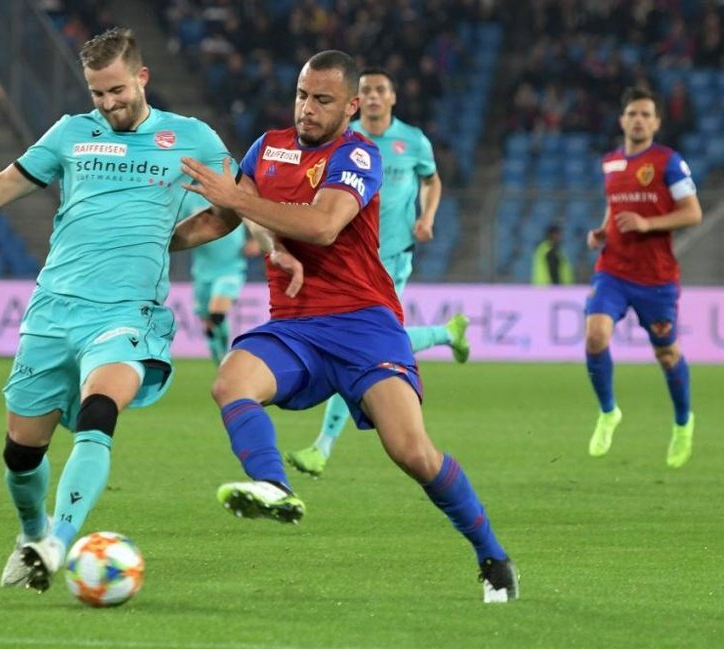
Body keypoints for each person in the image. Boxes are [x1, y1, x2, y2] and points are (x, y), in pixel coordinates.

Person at [0, 27, 236, 593]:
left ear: (142, 78)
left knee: (100, 409)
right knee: (20, 452)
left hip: (128, 313)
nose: (107, 104)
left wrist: (166, 240)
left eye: (116, 90)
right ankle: (31, 533)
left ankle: (59, 538)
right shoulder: (70, 135)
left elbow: (229, 209)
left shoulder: (191, 138)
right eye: (97, 93)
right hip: (54, 311)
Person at [178, 50, 518, 602]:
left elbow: (323, 226)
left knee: (412, 452)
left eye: (322, 100)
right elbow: (223, 218)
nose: (307, 109)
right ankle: (273, 485)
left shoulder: (359, 154)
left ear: (351, 105)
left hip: (364, 322)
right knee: (230, 381)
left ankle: (492, 555)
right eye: (301, 95)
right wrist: (148, 242)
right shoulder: (267, 147)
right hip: (295, 324)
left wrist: (239, 199)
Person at [285, 68, 470, 478]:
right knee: (364, 345)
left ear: (392, 98)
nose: (372, 96)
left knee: (358, 347)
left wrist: (427, 216)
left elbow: (432, 181)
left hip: (391, 261)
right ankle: (446, 333)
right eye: (365, 90)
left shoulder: (413, 141)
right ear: (355, 99)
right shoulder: (343, 141)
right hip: (348, 259)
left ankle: (322, 447)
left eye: (380, 90)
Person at [585, 86, 702, 468]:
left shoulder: (669, 162)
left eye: (646, 114)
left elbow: (692, 213)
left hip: (656, 278)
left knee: (667, 354)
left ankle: (683, 422)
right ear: (622, 120)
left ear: (656, 122)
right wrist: (602, 231)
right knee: (595, 335)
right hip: (614, 270)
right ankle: (608, 412)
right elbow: (614, 204)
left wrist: (647, 223)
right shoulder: (610, 163)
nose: (638, 119)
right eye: (632, 113)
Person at [188, 224, 254, 365]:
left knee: (217, 313)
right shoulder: (189, 202)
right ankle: (220, 359)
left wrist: (256, 242)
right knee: (209, 324)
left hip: (231, 269)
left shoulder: (235, 203)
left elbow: (257, 219)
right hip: (202, 273)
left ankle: (225, 357)